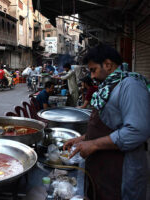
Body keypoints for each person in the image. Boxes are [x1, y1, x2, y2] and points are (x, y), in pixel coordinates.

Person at [63, 44, 150, 200]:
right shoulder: (108, 87)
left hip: (121, 171)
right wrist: (82, 138)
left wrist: (94, 144)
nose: (92, 76)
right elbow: (109, 125)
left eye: (93, 70)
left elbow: (137, 131)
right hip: (103, 169)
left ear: (108, 65)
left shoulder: (130, 86)